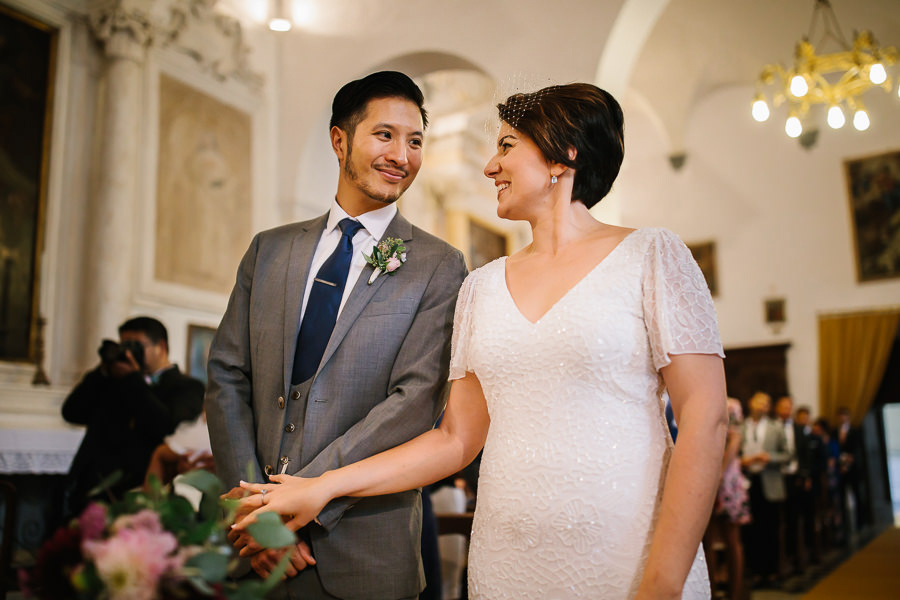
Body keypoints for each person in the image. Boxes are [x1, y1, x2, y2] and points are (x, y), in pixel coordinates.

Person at [234, 83, 728, 599]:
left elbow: (704, 418)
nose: (490, 167)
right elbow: (454, 440)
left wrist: (665, 582)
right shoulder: (481, 286)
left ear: (564, 154)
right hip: (506, 559)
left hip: (626, 555)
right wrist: (324, 486)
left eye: (507, 146)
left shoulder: (651, 256)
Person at [205, 71, 468, 599]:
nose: (402, 154)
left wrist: (297, 502)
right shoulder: (270, 249)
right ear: (339, 140)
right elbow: (227, 375)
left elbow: (414, 402)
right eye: (385, 134)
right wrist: (260, 514)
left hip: (364, 551)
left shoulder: (439, 266)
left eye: (415, 141)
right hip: (255, 551)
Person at [61, 316, 204, 517]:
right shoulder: (113, 381)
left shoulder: (188, 387)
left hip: (141, 493)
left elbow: (168, 429)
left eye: (135, 345)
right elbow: (72, 412)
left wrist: (133, 380)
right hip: (93, 488)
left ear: (160, 347)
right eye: (123, 346)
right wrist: (103, 370)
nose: (127, 352)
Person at [739, 391, 788, 585]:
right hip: (747, 481)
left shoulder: (776, 427)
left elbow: (788, 454)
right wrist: (741, 461)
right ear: (751, 402)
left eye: (766, 403)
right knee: (751, 530)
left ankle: (772, 572)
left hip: (769, 480)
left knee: (770, 528)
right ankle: (755, 571)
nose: (762, 405)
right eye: (759, 401)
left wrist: (771, 457)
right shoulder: (742, 427)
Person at [704, 398, 749, 600]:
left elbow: (736, 440)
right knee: (707, 540)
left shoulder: (733, 405)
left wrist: (720, 472)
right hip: (705, 474)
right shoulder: (703, 400)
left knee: (732, 539)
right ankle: (711, 591)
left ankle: (735, 593)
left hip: (728, 478)